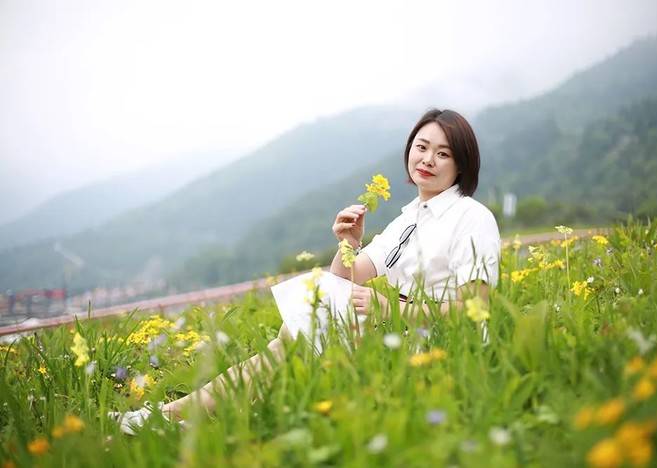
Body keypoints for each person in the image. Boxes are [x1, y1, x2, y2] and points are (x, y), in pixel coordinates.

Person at [110, 108, 500, 434]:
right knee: (297, 333)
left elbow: (475, 310)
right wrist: (348, 243)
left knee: (293, 341)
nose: (428, 160)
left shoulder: (471, 217)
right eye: (422, 147)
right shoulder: (410, 218)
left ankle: (174, 416)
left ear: (461, 165)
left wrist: (390, 310)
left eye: (443, 154)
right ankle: (183, 416)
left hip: (440, 348)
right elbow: (345, 277)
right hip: (402, 334)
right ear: (409, 150)